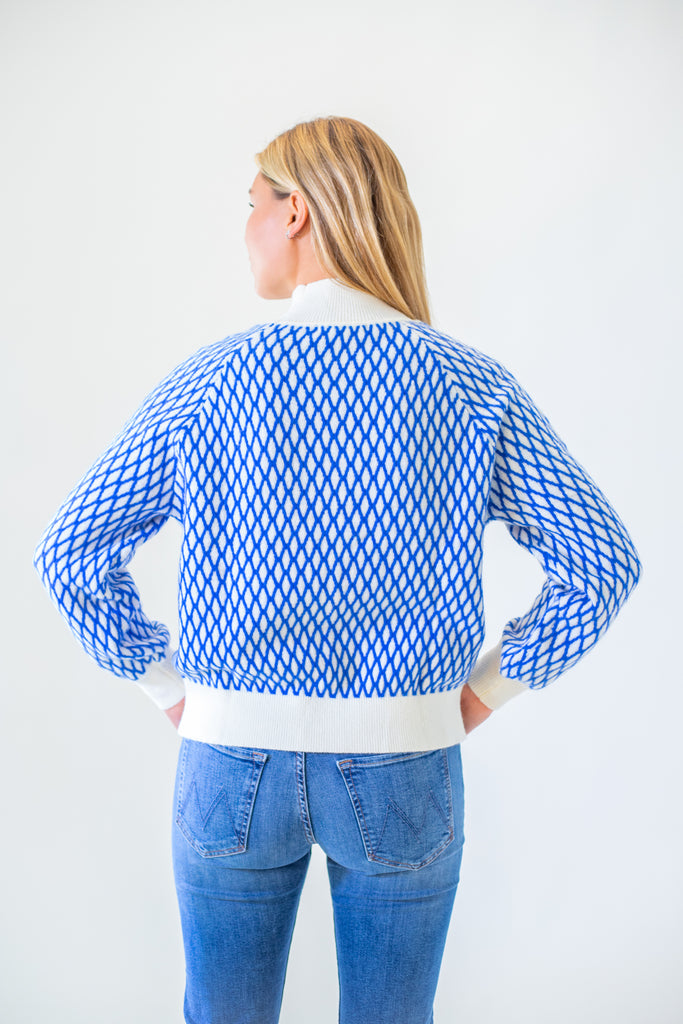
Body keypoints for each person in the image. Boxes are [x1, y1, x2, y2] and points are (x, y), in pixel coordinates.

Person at [33, 115, 641, 1024]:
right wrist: (476, 698)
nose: (245, 227)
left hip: (228, 762)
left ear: (295, 213)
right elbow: (602, 564)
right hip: (405, 761)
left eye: (251, 203)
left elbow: (70, 551)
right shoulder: (468, 384)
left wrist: (172, 692)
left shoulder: (212, 381)